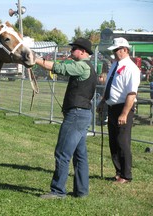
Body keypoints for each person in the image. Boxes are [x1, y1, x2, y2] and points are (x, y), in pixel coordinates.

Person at [35, 38, 97, 199]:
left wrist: (35, 59)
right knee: (80, 154)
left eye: (73, 49)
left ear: (83, 51)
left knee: (62, 153)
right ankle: (81, 191)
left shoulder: (82, 66)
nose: (71, 52)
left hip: (76, 115)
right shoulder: (88, 66)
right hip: (82, 114)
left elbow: (59, 68)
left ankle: (57, 191)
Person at [97, 37, 140, 184]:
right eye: (114, 50)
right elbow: (111, 86)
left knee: (122, 141)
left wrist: (124, 113)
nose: (115, 53)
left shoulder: (131, 68)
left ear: (125, 50)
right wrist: (103, 101)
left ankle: (126, 175)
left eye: (117, 50)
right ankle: (118, 172)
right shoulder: (114, 66)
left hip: (123, 107)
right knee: (113, 141)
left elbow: (131, 93)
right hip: (112, 107)